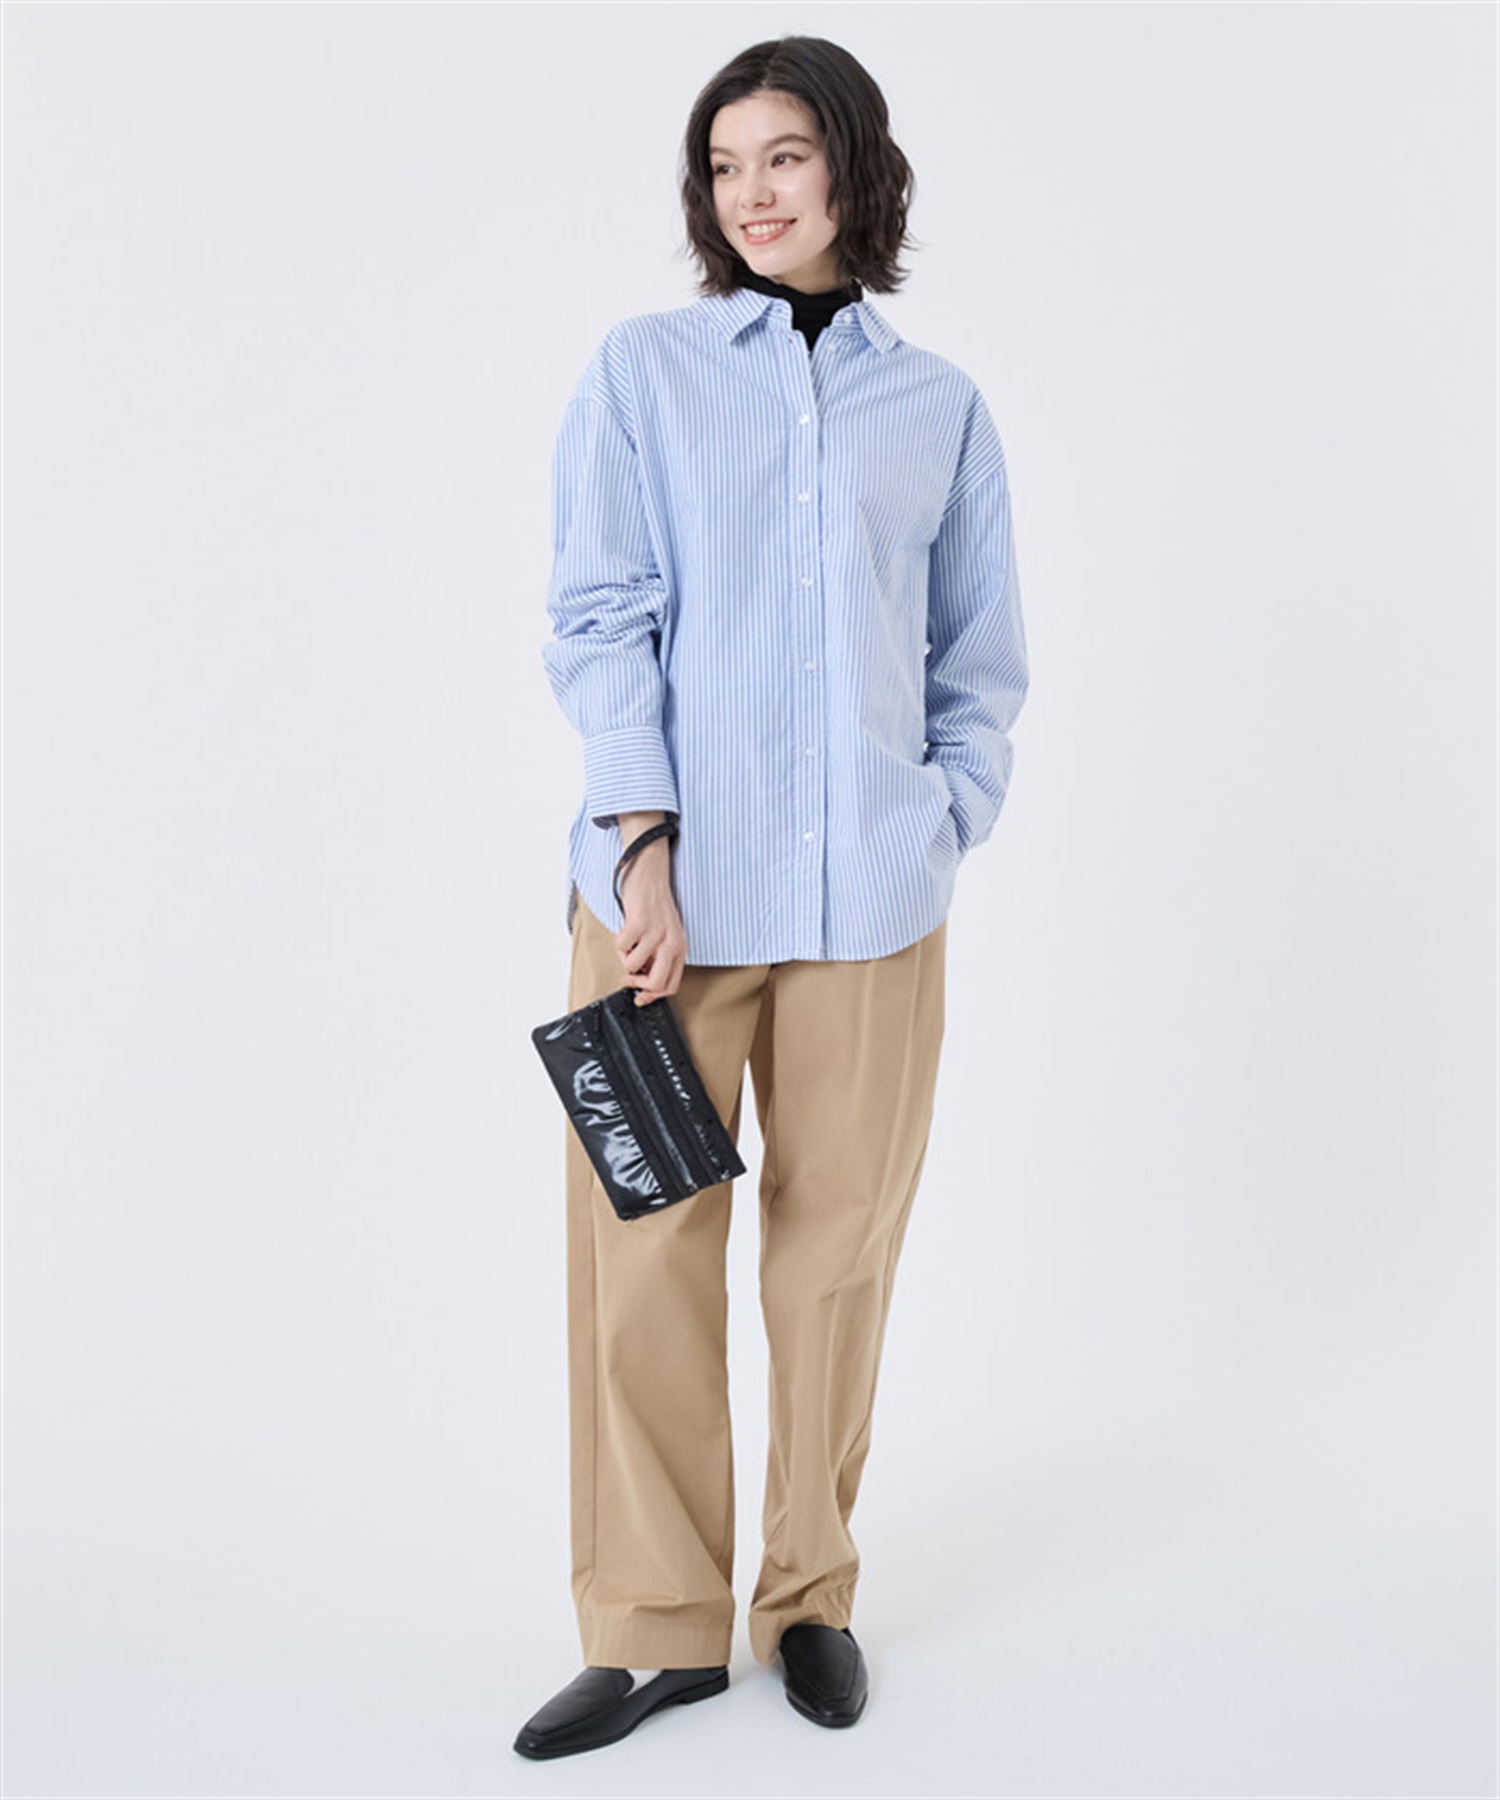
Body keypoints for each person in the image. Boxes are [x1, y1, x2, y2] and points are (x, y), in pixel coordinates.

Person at [514, 34, 1028, 1760]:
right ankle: (655, 1625)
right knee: (642, 1260)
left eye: (785, 155)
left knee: (836, 1260)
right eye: (724, 163)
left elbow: (978, 662)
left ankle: (809, 1595)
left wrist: (938, 821)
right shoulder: (644, 374)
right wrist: (640, 844)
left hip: (873, 907)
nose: (752, 191)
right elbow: (601, 617)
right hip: (660, 911)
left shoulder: (937, 409)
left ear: (853, 171)